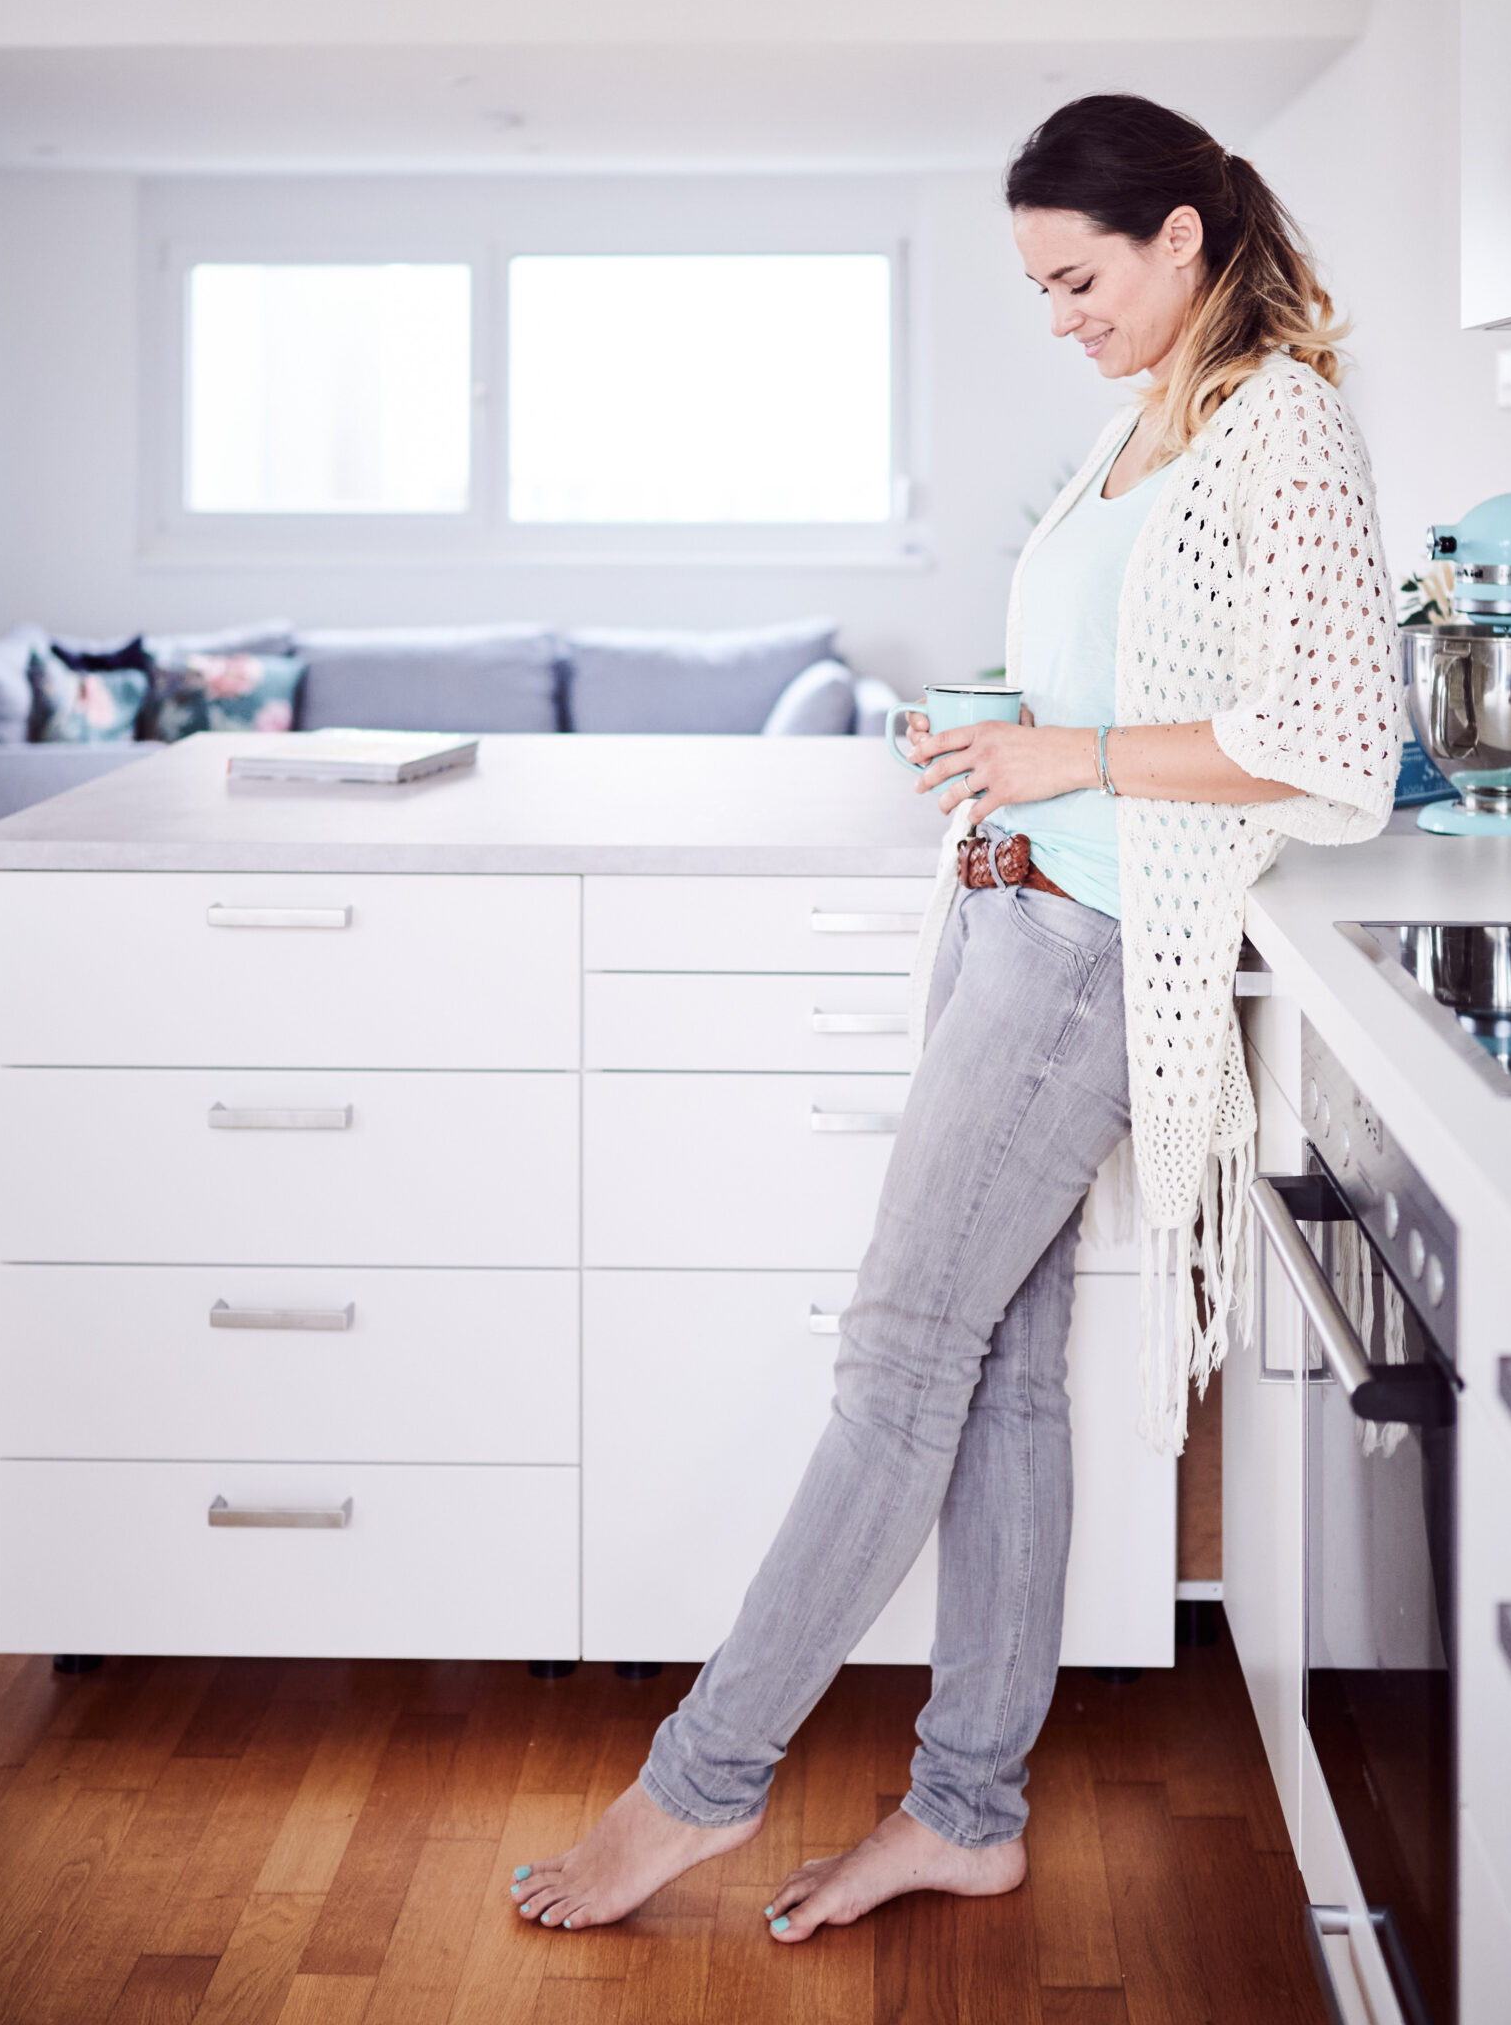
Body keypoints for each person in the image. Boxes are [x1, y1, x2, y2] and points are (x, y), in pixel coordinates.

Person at [508, 93, 1401, 1943]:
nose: (1060, 313)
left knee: (896, 1370)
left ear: (1180, 236)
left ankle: (694, 1789)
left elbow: (1326, 748)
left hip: (1085, 951)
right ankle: (967, 1812)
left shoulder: (1280, 424)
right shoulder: (1142, 422)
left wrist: (1057, 754)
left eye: (1079, 275)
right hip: (1009, 922)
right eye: (1037, 286)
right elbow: (1139, 683)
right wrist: (999, 723)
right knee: (989, 1376)